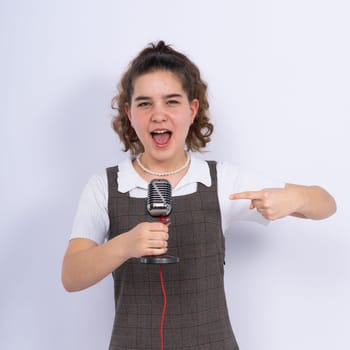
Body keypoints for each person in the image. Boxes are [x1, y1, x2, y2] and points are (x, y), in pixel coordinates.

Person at [61, 41, 336, 350]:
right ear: (129, 112)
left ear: (192, 109)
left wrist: (296, 198)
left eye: (172, 102)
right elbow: (71, 276)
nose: (158, 115)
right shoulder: (105, 186)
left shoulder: (221, 180)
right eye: (145, 103)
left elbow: (326, 203)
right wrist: (124, 245)